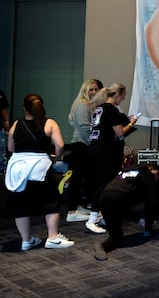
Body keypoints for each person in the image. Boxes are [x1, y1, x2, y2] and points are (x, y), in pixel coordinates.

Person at [5, 93, 75, 250]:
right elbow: (60, 145)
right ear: (42, 106)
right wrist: (55, 158)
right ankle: (53, 237)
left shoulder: (16, 124)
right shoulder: (49, 123)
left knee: (21, 205)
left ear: (24, 109)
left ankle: (26, 240)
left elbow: (10, 148)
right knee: (51, 201)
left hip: (18, 168)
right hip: (40, 167)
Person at [85, 83, 138, 234]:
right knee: (104, 185)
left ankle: (102, 215)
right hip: (105, 152)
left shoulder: (100, 108)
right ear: (117, 95)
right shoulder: (111, 109)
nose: (123, 99)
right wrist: (132, 123)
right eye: (123, 96)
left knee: (102, 184)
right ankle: (92, 219)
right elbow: (120, 133)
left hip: (95, 149)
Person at [94, 164, 159, 261]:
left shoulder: (125, 170)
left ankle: (102, 247)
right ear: (154, 171)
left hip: (104, 197)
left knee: (116, 237)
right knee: (144, 197)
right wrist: (149, 226)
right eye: (157, 176)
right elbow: (151, 201)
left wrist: (140, 220)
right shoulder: (147, 173)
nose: (156, 179)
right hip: (119, 197)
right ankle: (103, 246)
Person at [64, 78, 102, 222]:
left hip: (84, 144)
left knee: (85, 177)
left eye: (95, 89)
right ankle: (72, 210)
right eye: (90, 89)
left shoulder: (90, 105)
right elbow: (85, 128)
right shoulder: (82, 105)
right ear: (85, 91)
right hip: (81, 145)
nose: (93, 92)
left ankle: (79, 206)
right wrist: (94, 143)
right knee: (77, 177)